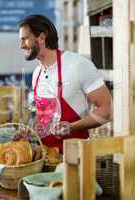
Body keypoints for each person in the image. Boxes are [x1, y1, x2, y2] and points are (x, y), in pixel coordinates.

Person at [18, 15, 112, 153]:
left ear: (42, 38)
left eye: (25, 39)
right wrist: (28, 133)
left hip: (76, 157)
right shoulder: (36, 73)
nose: (21, 46)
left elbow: (107, 110)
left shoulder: (77, 64)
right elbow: (43, 116)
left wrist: (71, 127)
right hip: (46, 156)